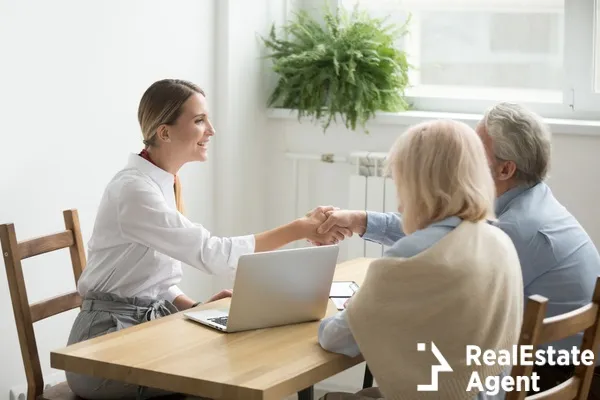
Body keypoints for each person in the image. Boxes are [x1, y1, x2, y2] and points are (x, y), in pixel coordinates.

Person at [65, 79, 350, 400]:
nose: (211, 130)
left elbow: (149, 280)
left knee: (244, 360)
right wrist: (300, 228)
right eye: (199, 120)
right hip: (104, 347)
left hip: (144, 331)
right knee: (232, 377)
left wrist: (195, 306)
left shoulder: (160, 183)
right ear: (165, 132)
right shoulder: (134, 191)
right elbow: (213, 254)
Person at [317, 103, 600, 397]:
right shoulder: (530, 209)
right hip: (558, 373)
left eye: (476, 151)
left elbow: (440, 243)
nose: (465, 159)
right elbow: (445, 236)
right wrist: (363, 222)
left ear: (505, 169)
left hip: (542, 376)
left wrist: (373, 305)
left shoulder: (509, 230)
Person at [316, 119, 524, 399]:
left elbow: (337, 339)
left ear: (417, 184)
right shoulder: (500, 242)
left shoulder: (409, 258)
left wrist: (354, 306)